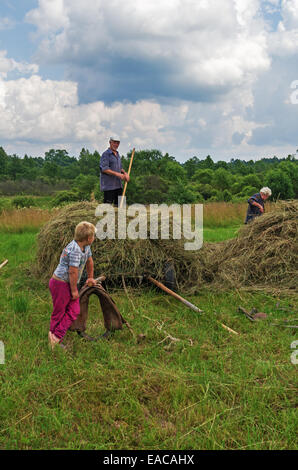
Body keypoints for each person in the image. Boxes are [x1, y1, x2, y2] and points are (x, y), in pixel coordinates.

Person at [48, 221, 97, 350]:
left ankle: (55, 336)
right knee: (59, 312)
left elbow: (89, 262)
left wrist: (91, 277)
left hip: (68, 283)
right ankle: (55, 340)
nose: (94, 238)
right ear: (88, 238)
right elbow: (73, 271)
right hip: (60, 283)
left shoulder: (86, 247)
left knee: (74, 310)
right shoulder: (74, 249)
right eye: (93, 236)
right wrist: (74, 291)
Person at [100, 136, 130, 206]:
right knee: (108, 209)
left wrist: (125, 174)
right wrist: (118, 175)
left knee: (120, 206)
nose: (116, 145)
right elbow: (105, 169)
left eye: (117, 143)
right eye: (114, 143)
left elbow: (120, 168)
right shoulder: (106, 154)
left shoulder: (118, 154)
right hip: (109, 186)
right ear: (110, 142)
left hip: (118, 185)